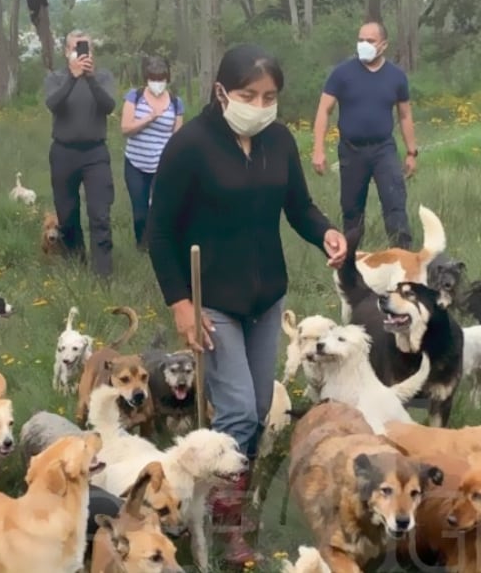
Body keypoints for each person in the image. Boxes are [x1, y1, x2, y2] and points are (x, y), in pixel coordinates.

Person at [145, 44, 348, 564]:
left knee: (258, 409)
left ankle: (225, 488)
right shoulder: (189, 145)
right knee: (237, 412)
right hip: (212, 300)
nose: (259, 105)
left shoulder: (278, 140)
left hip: (266, 296)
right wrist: (180, 304)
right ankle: (226, 521)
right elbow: (159, 231)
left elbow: (297, 205)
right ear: (221, 92)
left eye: (269, 96)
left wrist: (325, 232)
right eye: (247, 95)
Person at [311, 20, 420, 249]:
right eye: (360, 40)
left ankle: (402, 262)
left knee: (395, 206)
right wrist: (318, 150)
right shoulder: (342, 74)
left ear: (383, 45)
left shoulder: (396, 77)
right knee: (351, 211)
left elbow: (405, 115)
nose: (363, 45)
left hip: (384, 149)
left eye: (370, 41)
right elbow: (324, 109)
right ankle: (350, 262)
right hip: (351, 150)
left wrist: (412, 152)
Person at [43, 30, 118, 277]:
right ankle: (77, 261)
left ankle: (103, 273)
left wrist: (90, 78)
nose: (80, 53)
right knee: (67, 214)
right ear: (66, 52)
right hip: (64, 152)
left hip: (95, 153)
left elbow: (109, 106)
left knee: (100, 214)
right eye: (75, 48)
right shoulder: (56, 78)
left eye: (85, 48)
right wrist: (73, 78)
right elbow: (52, 104)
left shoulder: (103, 77)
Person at [120, 55, 184, 250]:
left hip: (162, 166)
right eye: (153, 79)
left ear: (167, 79)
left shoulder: (175, 102)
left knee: (158, 209)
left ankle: (160, 245)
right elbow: (125, 128)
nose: (157, 83)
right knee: (140, 212)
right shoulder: (135, 96)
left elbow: (177, 137)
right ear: (147, 79)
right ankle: (142, 245)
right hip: (136, 164)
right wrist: (149, 118)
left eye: (161, 79)